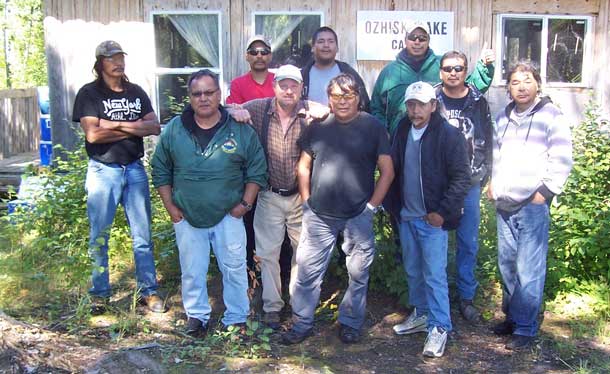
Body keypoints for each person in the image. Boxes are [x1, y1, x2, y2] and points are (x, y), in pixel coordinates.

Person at [151, 69, 267, 337]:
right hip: (187, 215)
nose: (203, 98)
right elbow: (160, 170)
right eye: (197, 93)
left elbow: (257, 169)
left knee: (235, 268)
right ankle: (197, 317)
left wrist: (245, 206)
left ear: (219, 94)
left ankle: (237, 318)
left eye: (209, 92)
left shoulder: (239, 129)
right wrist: (170, 208)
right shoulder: (174, 131)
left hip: (229, 214)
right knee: (192, 270)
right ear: (190, 98)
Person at [282, 73, 394, 345]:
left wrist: (370, 207)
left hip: (358, 214)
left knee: (358, 273)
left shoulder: (373, 127)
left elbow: (387, 172)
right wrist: (307, 203)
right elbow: (303, 166)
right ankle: (302, 323)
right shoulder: (318, 127)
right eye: (336, 96)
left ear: (358, 98)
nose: (342, 101)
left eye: (348, 96)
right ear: (329, 99)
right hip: (319, 214)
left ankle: (350, 322)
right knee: (307, 272)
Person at [229, 65, 329, 330]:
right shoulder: (259, 107)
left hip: (301, 196)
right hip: (269, 194)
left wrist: (326, 111)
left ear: (301, 88)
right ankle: (272, 306)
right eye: (283, 84)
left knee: (303, 254)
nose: (288, 90)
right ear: (274, 87)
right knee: (267, 253)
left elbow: (337, 113)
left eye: (294, 85)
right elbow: (222, 110)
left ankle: (299, 306)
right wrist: (235, 110)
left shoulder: (309, 110)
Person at [72, 40, 165, 314]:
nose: (118, 62)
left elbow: (155, 126)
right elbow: (93, 134)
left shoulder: (136, 92)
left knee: (143, 236)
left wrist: (114, 125)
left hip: (134, 169)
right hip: (103, 171)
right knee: (99, 236)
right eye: (112, 58)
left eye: (121, 56)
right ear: (100, 63)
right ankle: (100, 293)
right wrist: (134, 128)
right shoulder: (89, 94)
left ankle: (148, 291)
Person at [488, 61, 572, 350]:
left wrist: (544, 193)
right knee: (507, 265)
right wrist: (493, 184)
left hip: (532, 205)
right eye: (515, 82)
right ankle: (513, 317)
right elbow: (496, 156)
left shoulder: (551, 116)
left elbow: (562, 159)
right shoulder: (503, 117)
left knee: (529, 267)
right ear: (508, 88)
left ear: (537, 83)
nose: (521, 87)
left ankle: (526, 327)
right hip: (505, 203)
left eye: (527, 80)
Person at [384, 81, 471, 358]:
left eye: (421, 104)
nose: (415, 110)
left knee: (434, 275)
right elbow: (393, 170)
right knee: (413, 271)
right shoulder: (401, 130)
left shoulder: (448, 135)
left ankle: (440, 326)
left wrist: (442, 212)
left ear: (433, 106)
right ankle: (421, 314)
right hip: (407, 216)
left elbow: (461, 179)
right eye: (411, 104)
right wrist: (394, 208)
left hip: (432, 219)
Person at [435, 50, 493, 323]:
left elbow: (488, 138)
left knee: (468, 243)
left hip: (469, 183)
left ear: (466, 70)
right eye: (448, 68)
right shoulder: (431, 98)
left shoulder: (478, 100)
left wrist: (488, 174)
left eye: (459, 68)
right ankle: (437, 295)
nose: (453, 73)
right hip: (438, 185)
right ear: (440, 72)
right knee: (436, 242)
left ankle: (466, 297)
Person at [370, 20, 495, 134]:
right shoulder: (389, 72)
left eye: (422, 38)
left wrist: (484, 68)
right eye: (412, 37)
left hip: (435, 139)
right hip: (398, 138)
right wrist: (383, 134)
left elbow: (468, 90)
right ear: (405, 40)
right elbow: (376, 109)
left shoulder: (443, 66)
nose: (417, 42)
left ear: (428, 41)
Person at [301, 26, 370, 111]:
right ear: (313, 48)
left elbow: (364, 105)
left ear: (337, 48)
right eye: (321, 41)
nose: (326, 45)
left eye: (331, 41)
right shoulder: (303, 75)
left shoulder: (348, 73)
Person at [226, 35, 275, 104]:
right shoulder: (237, 85)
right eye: (254, 52)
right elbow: (234, 112)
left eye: (264, 52)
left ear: (270, 56)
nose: (259, 56)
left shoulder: (279, 82)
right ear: (247, 56)